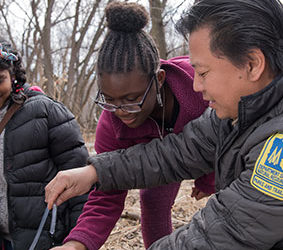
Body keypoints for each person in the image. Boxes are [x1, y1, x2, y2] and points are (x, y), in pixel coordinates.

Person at [45, 0, 283, 248]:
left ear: (252, 64)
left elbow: (223, 233)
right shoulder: (238, 112)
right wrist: (95, 172)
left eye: (202, 73)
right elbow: (177, 152)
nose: (197, 86)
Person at [48, 2, 213, 249]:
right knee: (152, 202)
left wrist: (208, 179)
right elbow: (107, 194)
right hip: (153, 167)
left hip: (210, 157)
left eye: (132, 99)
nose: (121, 111)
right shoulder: (111, 124)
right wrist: (76, 244)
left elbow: (223, 133)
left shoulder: (196, 85)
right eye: (110, 99)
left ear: (159, 79)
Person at [0, 41, 89, 250]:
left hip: (40, 238)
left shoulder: (45, 111)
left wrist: (78, 240)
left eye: (0, 79)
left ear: (13, 76)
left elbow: (80, 180)